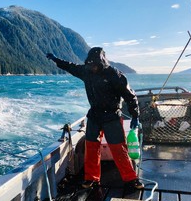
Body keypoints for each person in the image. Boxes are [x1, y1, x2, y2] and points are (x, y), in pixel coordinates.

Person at [46, 47, 144, 189]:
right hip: (94, 116)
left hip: (111, 117)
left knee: (119, 149)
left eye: (95, 65)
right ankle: (91, 178)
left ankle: (131, 179)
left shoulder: (114, 74)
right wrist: (56, 60)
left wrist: (135, 115)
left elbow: (130, 95)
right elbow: (70, 66)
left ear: (102, 62)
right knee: (91, 147)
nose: (92, 68)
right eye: (90, 64)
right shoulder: (86, 71)